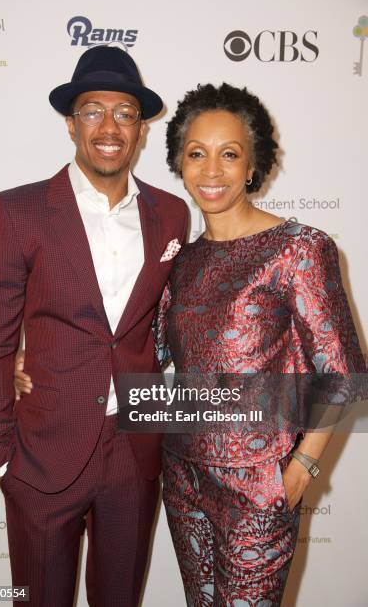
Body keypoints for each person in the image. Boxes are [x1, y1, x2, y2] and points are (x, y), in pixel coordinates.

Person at [0, 46, 189, 607]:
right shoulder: (16, 211)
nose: (110, 127)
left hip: (133, 455)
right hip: (40, 456)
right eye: (93, 111)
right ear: (71, 123)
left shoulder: (171, 214)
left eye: (125, 113)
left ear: (141, 129)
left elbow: (161, 326)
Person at [156, 83, 366, 605]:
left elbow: (344, 375)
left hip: (259, 485)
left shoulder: (299, 248)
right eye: (196, 154)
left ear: (253, 165)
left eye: (229, 155)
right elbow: (148, 351)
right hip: (181, 472)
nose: (211, 171)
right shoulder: (181, 261)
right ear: (179, 163)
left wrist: (302, 469)